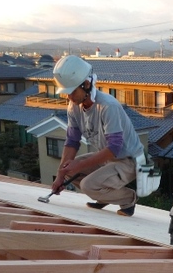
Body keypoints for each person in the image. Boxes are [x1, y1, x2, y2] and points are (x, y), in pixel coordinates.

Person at [51, 55, 144, 217]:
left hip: (129, 161)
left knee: (88, 185)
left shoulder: (108, 106)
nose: (69, 97)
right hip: (108, 158)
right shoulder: (74, 107)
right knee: (67, 169)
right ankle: (103, 195)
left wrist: (78, 167)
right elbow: (72, 142)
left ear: (86, 84)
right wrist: (60, 175)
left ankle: (128, 198)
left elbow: (114, 148)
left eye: (71, 92)